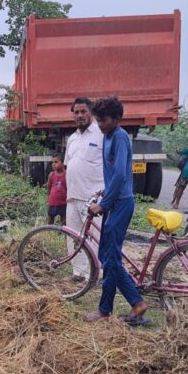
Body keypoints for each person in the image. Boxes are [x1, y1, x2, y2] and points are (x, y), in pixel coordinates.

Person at [85, 96, 148, 325]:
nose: (100, 124)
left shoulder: (120, 137)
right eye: (98, 120)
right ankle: (137, 303)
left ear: (117, 119)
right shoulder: (107, 136)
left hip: (121, 203)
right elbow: (112, 174)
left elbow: (121, 174)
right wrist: (104, 193)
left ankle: (104, 311)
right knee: (106, 256)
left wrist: (104, 204)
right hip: (114, 201)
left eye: (104, 120)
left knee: (110, 260)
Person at [64, 97, 104, 280]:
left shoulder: (101, 134)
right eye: (76, 112)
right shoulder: (72, 138)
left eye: (83, 112)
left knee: (94, 239)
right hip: (72, 196)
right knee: (74, 236)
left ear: (91, 113)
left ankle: (93, 275)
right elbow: (68, 166)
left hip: (93, 197)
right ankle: (78, 273)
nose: (79, 115)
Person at [46, 154, 67, 225]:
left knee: (64, 222)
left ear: (63, 163)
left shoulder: (67, 174)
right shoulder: (51, 175)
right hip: (53, 202)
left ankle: (64, 235)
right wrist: (48, 199)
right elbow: (48, 188)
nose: (53, 164)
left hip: (64, 203)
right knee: (50, 221)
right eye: (52, 162)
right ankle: (49, 235)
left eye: (56, 162)